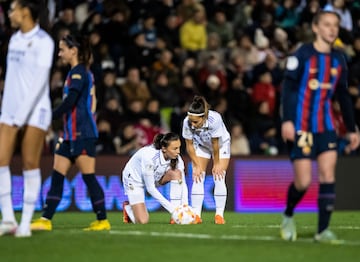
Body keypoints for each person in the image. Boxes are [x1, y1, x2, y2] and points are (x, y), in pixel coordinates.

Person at [280, 11, 359, 243]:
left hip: (326, 127)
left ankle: (322, 231)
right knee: (303, 182)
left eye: (335, 25)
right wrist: (287, 120)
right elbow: (288, 89)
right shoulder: (302, 55)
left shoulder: (339, 59)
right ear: (315, 28)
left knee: (327, 174)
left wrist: (352, 128)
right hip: (302, 127)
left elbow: (343, 97)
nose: (332, 29)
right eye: (327, 25)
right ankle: (288, 215)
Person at [30, 34, 110, 231]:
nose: (60, 53)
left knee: (88, 177)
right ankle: (45, 219)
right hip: (68, 135)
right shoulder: (76, 72)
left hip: (82, 133)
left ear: (73, 51)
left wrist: (49, 115)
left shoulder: (79, 73)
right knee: (57, 176)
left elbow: (70, 103)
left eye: (62, 49)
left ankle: (102, 220)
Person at [0, 0, 54, 238]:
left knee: (29, 164)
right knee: (1, 160)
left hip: (35, 111)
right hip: (10, 110)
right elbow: (12, 78)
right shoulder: (14, 39)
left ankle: (26, 222)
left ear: (24, 12)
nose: (9, 14)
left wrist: (21, 116)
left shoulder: (44, 41)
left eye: (12, 10)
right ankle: (9, 219)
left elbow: (39, 82)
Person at [122, 132, 192, 224]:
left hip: (155, 177)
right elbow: (150, 189)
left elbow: (182, 183)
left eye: (179, 147)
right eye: (174, 149)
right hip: (134, 180)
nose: (178, 152)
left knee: (176, 173)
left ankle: (174, 218)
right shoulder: (150, 157)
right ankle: (129, 208)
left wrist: (185, 208)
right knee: (143, 221)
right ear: (164, 148)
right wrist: (173, 210)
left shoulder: (177, 158)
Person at [182, 95, 230, 224]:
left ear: (204, 117)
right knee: (197, 175)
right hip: (202, 145)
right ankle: (196, 215)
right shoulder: (187, 122)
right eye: (191, 121)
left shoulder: (215, 119)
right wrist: (196, 165)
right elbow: (189, 145)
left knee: (219, 175)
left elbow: (215, 144)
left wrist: (217, 163)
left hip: (220, 145)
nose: (192, 124)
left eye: (195, 122)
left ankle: (219, 215)